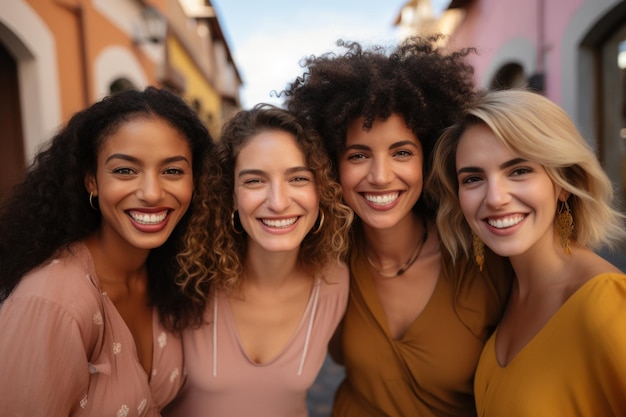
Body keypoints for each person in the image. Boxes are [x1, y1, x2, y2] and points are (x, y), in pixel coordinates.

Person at [282, 35, 513, 417]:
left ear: (428, 156)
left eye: (401, 152)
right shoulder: (324, 254)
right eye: (358, 155)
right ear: (331, 164)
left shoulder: (482, 256)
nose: (380, 176)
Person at [0, 86, 215, 416]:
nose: (152, 193)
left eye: (172, 170)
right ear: (92, 181)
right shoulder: (51, 302)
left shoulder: (169, 271)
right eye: (125, 170)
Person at [430, 88, 626, 416]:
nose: (495, 198)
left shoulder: (607, 304)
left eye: (519, 171)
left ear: (562, 182)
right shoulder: (505, 287)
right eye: (473, 178)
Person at [163, 103, 354, 417]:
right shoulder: (191, 276)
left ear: (321, 192)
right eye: (254, 181)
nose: (278, 202)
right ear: (231, 196)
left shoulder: (335, 282)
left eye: (298, 179)